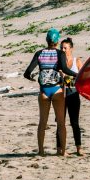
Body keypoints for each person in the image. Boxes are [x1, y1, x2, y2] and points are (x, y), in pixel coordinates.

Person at [24, 28, 77, 156]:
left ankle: (41, 151)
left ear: (47, 40)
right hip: (57, 90)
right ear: (57, 41)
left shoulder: (39, 53)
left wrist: (32, 78)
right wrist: (77, 75)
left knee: (42, 123)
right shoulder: (60, 54)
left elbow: (27, 73)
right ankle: (63, 152)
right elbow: (65, 69)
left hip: (44, 92)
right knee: (61, 123)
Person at [57, 37, 84, 156]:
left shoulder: (76, 61)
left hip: (73, 94)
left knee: (75, 123)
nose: (62, 49)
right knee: (60, 123)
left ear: (71, 49)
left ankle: (79, 148)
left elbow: (82, 77)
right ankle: (60, 149)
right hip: (60, 96)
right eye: (61, 48)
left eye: (65, 48)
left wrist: (67, 78)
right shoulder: (58, 63)